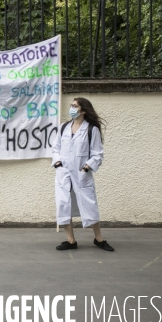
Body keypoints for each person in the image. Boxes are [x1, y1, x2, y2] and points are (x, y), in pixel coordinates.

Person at [52, 97, 114, 252]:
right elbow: (55, 148)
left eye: (75, 106)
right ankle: (71, 240)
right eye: (71, 105)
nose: (71, 108)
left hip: (81, 174)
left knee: (89, 204)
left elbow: (97, 154)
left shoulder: (91, 130)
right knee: (63, 205)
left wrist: (86, 168)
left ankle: (99, 239)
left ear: (83, 110)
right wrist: (58, 164)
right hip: (64, 174)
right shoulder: (64, 127)